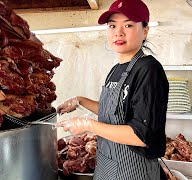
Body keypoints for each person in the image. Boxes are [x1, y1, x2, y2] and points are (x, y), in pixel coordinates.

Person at [56, 0, 169, 179]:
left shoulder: (148, 69)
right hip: (107, 167)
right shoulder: (116, 69)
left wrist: (88, 125)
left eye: (129, 25)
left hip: (133, 171)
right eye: (112, 25)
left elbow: (141, 135)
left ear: (145, 31)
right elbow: (113, 113)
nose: (118, 32)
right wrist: (80, 100)